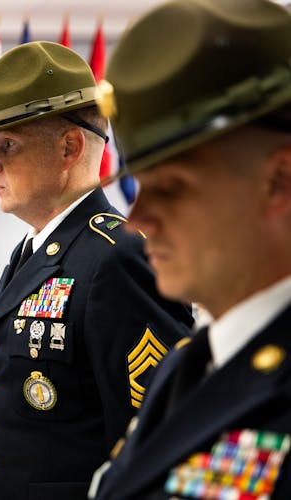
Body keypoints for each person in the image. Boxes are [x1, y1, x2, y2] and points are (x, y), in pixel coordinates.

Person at [0, 41, 194, 499]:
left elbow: (155, 442)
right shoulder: (32, 250)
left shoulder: (118, 258)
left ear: (69, 147)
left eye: (8, 145)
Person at [87, 0, 291, 499]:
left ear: (280, 181)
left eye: (172, 189)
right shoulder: (187, 367)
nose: (136, 222)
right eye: (138, 187)